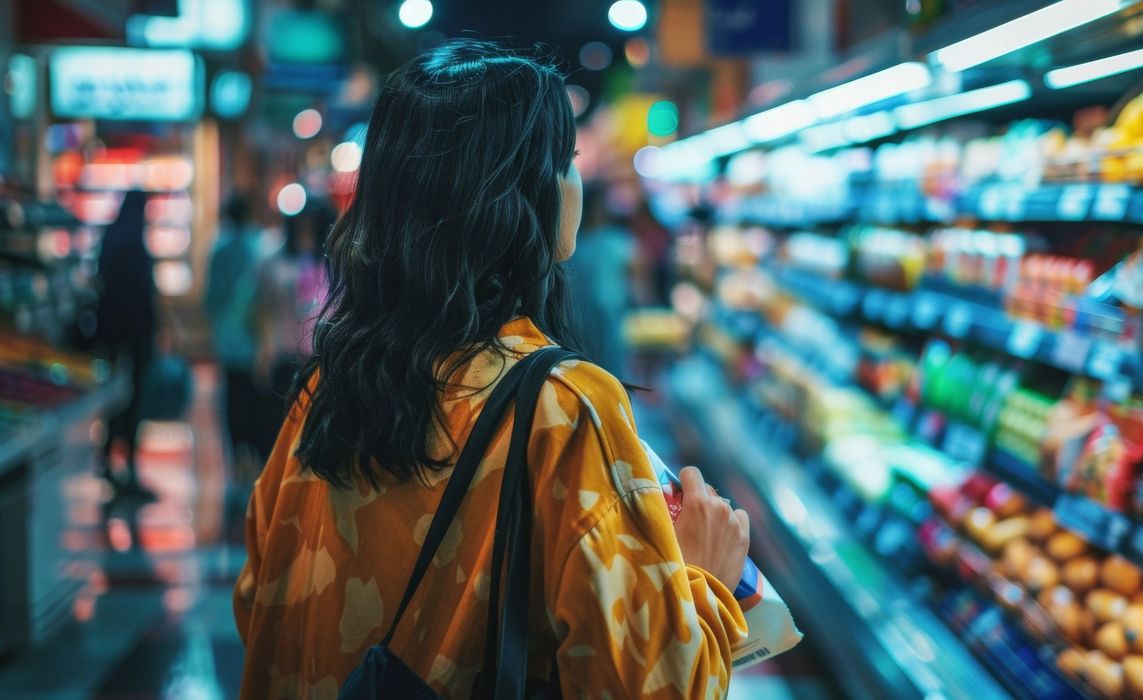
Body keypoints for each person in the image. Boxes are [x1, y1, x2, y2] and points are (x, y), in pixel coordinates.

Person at [234, 40, 749, 699]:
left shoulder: (323, 388)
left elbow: (258, 606)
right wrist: (705, 581)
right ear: (521, 194)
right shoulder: (562, 405)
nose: (576, 184)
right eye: (563, 163)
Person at [251, 197, 334, 457]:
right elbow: (261, 307)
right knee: (279, 427)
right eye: (301, 223)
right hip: (283, 353)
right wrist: (263, 348)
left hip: (320, 357)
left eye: (311, 223)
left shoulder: (333, 262)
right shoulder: (275, 260)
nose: (305, 228)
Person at [95, 189, 157, 498]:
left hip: (110, 335)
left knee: (113, 401)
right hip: (135, 336)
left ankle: (107, 460)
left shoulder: (112, 238)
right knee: (133, 403)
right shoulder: (135, 245)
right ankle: (127, 465)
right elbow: (143, 296)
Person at [204, 194, 267, 476]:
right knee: (256, 396)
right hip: (254, 335)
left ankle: (236, 456)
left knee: (232, 397)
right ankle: (256, 454)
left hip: (228, 336)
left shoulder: (220, 248)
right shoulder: (260, 245)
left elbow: (212, 296)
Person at [565, 183, 635, 377]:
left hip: (607, 311)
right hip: (587, 313)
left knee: (609, 360)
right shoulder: (578, 244)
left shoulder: (613, 240)